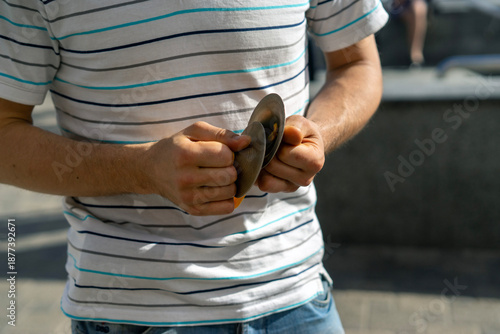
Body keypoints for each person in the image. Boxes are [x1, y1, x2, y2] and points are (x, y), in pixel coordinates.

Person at [0, 1, 387, 333]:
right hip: (135, 312)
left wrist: (318, 133)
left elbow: (357, 63)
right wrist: (141, 169)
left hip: (297, 295)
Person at [389, 0, 429, 66]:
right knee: (416, 10)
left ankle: (416, 54)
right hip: (395, 5)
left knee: (419, 8)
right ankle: (414, 55)